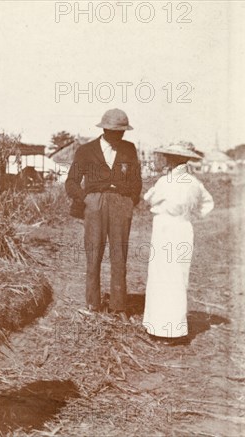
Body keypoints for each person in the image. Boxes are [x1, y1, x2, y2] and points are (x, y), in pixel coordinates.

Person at [65, 109, 142, 314]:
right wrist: (86, 199)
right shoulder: (86, 150)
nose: (119, 135)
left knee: (119, 256)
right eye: (115, 131)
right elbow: (71, 181)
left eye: (122, 131)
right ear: (105, 129)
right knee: (94, 254)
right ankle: (93, 304)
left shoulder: (129, 149)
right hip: (94, 203)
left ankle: (118, 307)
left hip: (120, 204)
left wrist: (129, 200)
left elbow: (136, 180)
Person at [142, 143, 214, 344]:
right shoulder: (194, 183)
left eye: (167, 157)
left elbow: (149, 198)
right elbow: (208, 203)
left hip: (165, 228)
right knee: (179, 276)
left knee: (162, 275)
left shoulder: (166, 181)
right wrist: (191, 214)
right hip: (183, 228)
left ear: (171, 160)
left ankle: (160, 327)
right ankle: (174, 328)